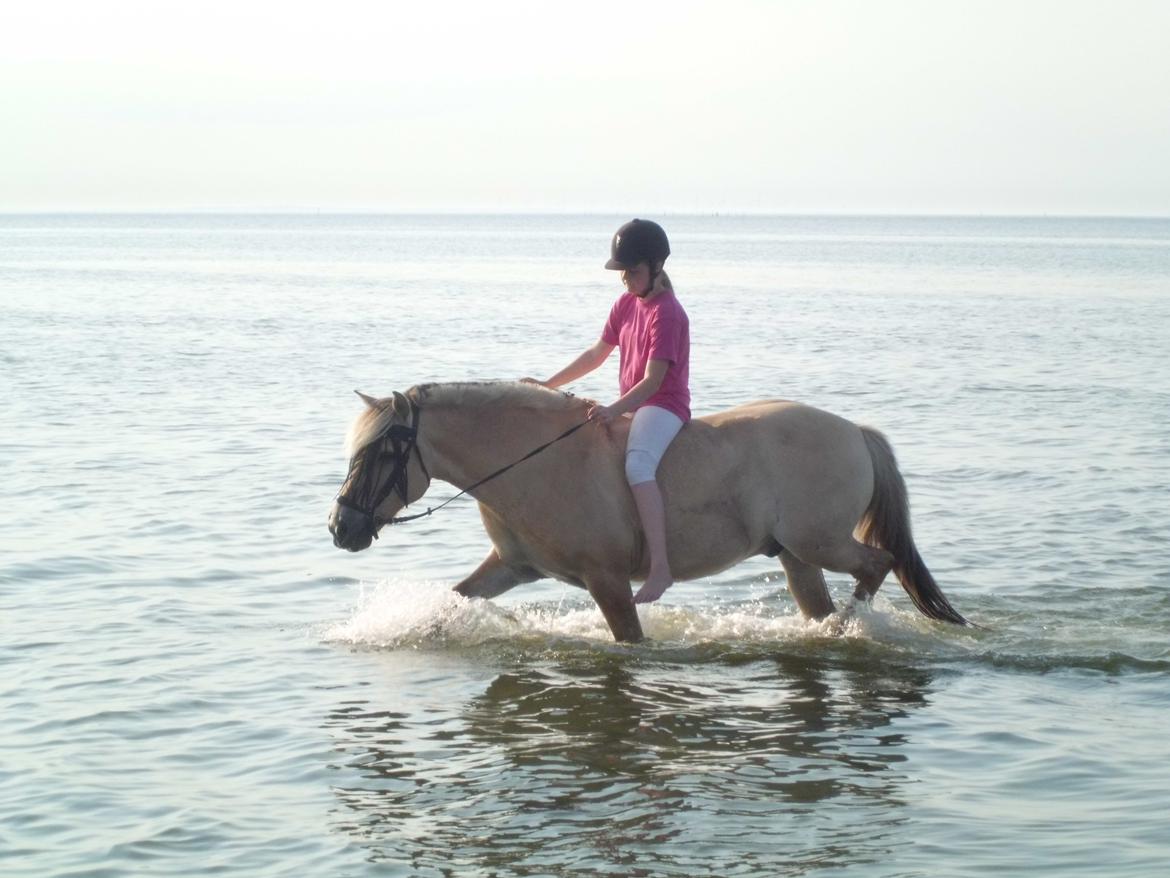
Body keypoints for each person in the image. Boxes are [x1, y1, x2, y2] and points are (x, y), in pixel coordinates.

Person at [524, 219, 690, 604]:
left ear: (656, 267)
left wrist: (614, 410)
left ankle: (660, 567)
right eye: (623, 272)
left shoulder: (667, 313)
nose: (626, 279)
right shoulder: (625, 304)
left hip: (663, 405)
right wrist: (548, 385)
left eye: (633, 271)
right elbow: (595, 355)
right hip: (634, 404)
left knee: (638, 466)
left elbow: (653, 382)